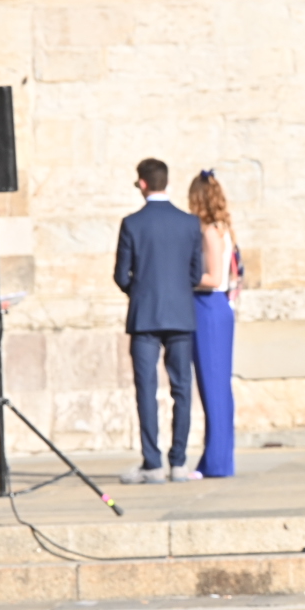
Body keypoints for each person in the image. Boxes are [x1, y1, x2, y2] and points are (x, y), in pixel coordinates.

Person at [115, 158, 205, 484]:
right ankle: (178, 463)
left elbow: (120, 275)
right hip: (180, 314)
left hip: (144, 316)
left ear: (142, 183)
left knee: (147, 389)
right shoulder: (189, 223)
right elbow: (195, 273)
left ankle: (152, 464)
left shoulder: (132, 223)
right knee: (182, 388)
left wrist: (141, 292)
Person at [188, 170, 238, 479]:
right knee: (218, 387)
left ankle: (215, 462)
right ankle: (217, 460)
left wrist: (182, 277)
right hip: (218, 307)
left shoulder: (209, 231)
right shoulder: (223, 228)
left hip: (209, 306)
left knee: (213, 387)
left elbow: (214, 277)